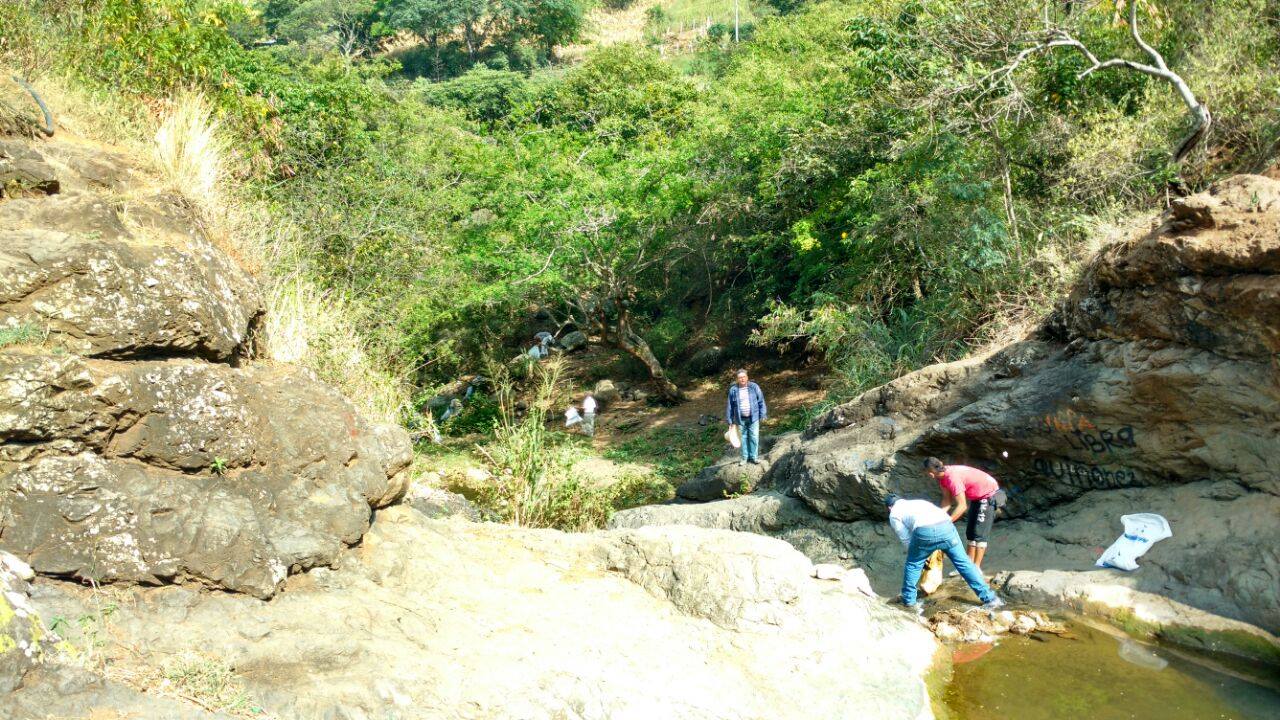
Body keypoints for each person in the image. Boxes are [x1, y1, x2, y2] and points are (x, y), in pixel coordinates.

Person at [885, 493, 1004, 615]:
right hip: (946, 526)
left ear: (889, 507)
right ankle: (991, 599)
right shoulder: (918, 502)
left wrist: (920, 555)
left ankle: (909, 601)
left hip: (924, 531)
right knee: (964, 563)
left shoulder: (894, 514)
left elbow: (905, 539)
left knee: (913, 564)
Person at [923, 457, 1006, 571]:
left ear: (931, 474)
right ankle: (967, 567)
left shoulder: (952, 478)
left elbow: (962, 506)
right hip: (977, 496)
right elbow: (947, 501)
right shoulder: (942, 478)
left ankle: (976, 569)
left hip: (988, 494)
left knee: (979, 534)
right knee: (970, 532)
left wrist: (946, 522)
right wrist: (938, 519)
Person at [724, 369, 766, 464]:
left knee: (754, 437)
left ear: (747, 377)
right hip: (740, 419)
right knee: (743, 438)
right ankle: (744, 458)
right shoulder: (733, 390)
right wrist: (730, 421)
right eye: (740, 378)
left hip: (753, 417)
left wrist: (763, 414)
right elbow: (729, 406)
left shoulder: (754, 387)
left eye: (743, 377)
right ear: (737, 379)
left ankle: (754, 457)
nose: (742, 379)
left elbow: (761, 401)